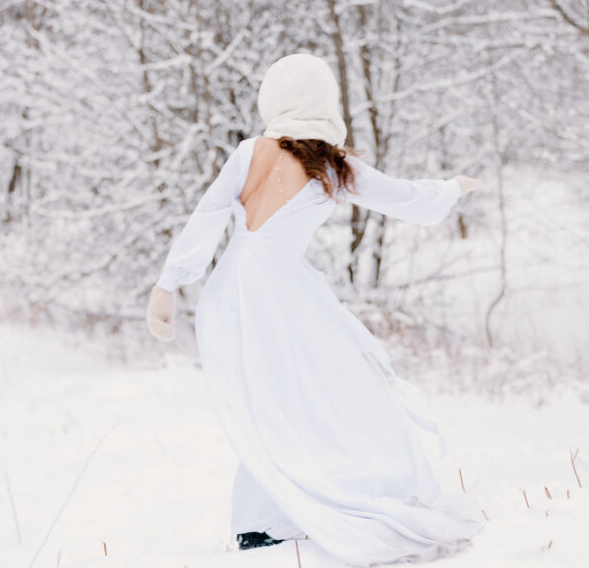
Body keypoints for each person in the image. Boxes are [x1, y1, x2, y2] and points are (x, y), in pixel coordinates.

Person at [145, 53, 482, 566]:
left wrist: (171, 282)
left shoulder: (251, 152)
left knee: (261, 400)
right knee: (306, 395)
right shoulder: (334, 167)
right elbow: (404, 197)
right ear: (326, 105)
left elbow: (208, 215)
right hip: (281, 295)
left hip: (236, 291)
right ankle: (280, 511)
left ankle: (259, 521)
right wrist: (451, 189)